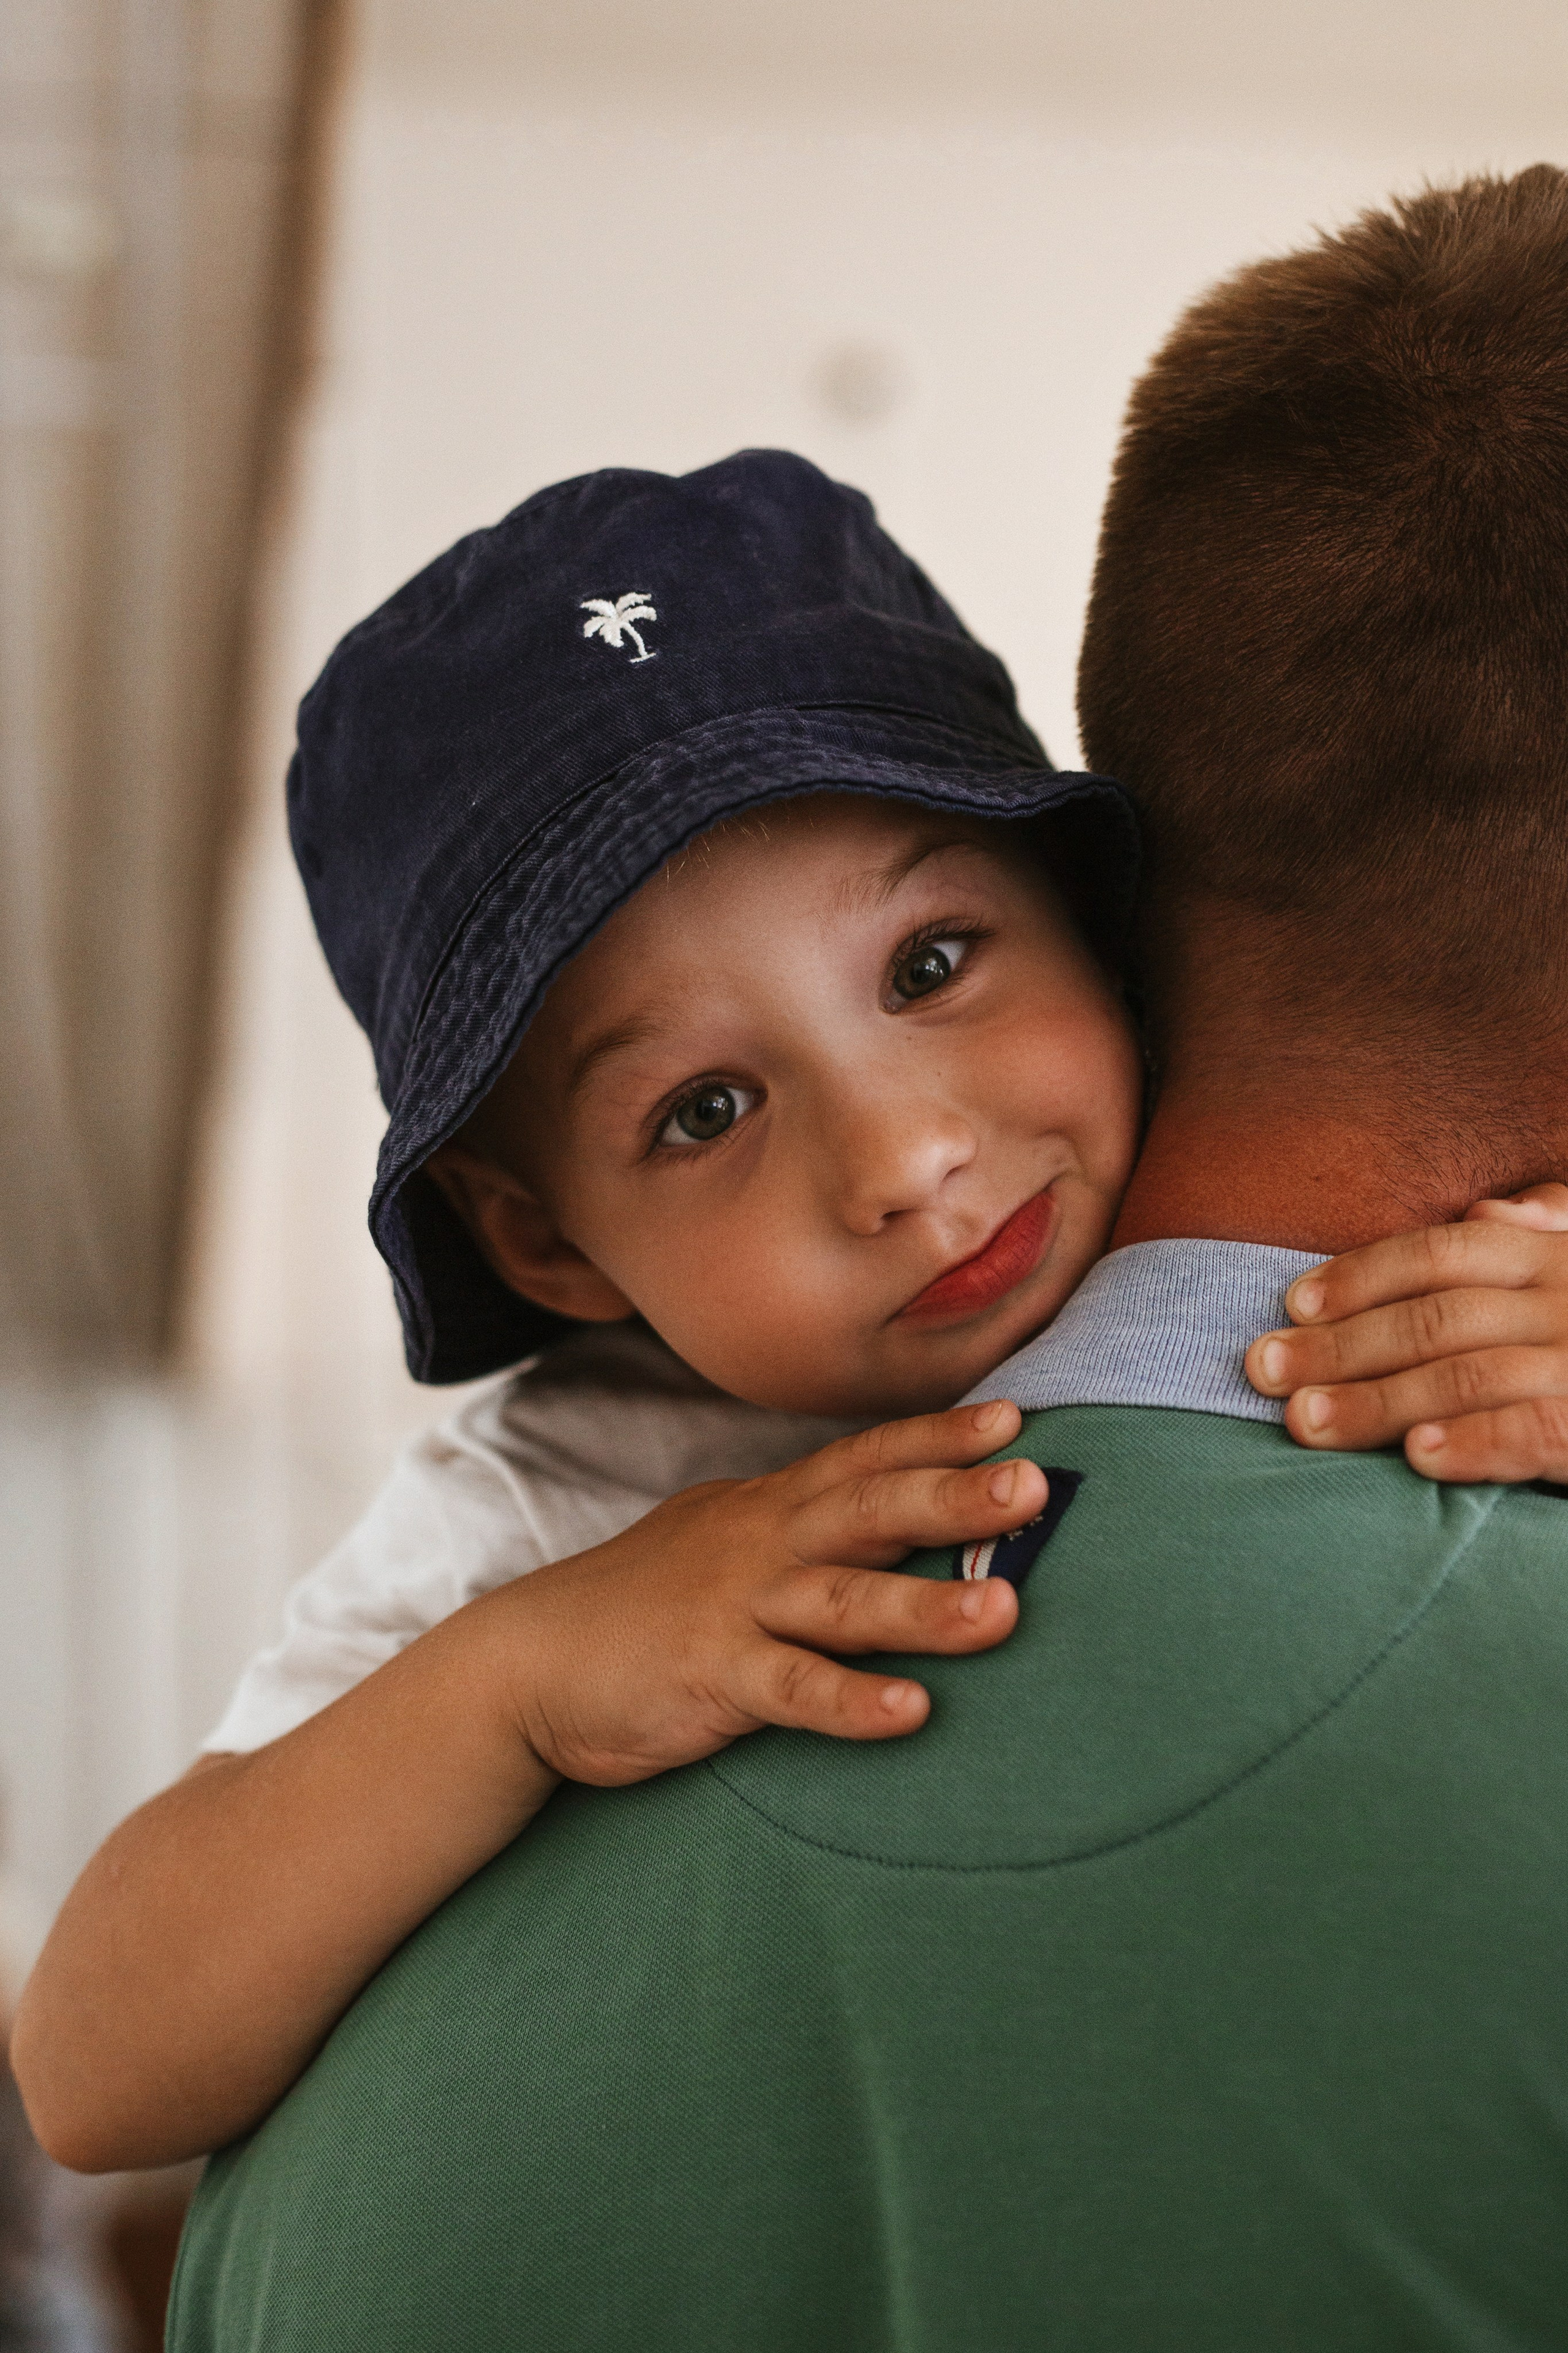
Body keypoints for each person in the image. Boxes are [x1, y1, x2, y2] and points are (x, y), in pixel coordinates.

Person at [153, 168, 1568, 2345]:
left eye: (933, 956)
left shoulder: (350, 2184)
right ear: (543, 1239)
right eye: (700, 1111)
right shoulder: (544, 1515)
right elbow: (94, 2050)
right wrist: (518, 1678)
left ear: (1099, 896)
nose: (910, 1160)